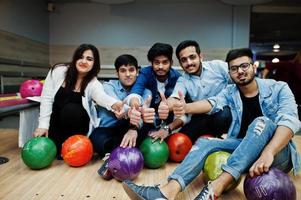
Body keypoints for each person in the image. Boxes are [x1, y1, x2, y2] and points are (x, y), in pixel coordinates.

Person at [122, 48, 301, 200]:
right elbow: (211, 103)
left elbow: (290, 121)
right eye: (234, 68)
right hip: (246, 150)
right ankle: (167, 191)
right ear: (229, 73)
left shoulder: (279, 88)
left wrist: (269, 152)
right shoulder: (231, 91)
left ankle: (215, 188)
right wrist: (184, 107)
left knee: (262, 122)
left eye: (244, 66)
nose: (240, 71)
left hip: (277, 154)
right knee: (205, 142)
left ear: (253, 67)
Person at [33, 44, 123, 157]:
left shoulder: (92, 83)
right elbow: (46, 98)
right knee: (54, 153)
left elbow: (101, 97)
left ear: (94, 63)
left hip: (77, 124)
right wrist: (43, 125)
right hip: (56, 122)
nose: (84, 61)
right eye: (80, 57)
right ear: (75, 59)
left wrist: (114, 104)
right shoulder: (58, 71)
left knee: (71, 109)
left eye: (89, 59)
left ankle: (75, 144)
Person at [152, 40, 232, 143]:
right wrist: (166, 106)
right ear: (180, 64)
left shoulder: (218, 66)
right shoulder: (183, 80)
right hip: (202, 116)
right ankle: (207, 138)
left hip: (225, 113)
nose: (189, 63)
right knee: (181, 140)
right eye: (184, 60)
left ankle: (219, 138)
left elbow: (237, 79)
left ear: (200, 56)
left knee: (223, 115)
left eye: (192, 57)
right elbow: (175, 97)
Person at [89, 54, 151, 179]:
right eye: (123, 70)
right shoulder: (108, 86)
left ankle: (112, 161)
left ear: (137, 71)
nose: (128, 74)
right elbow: (118, 108)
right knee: (96, 137)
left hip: (131, 129)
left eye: (131, 70)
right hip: (108, 131)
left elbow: (144, 117)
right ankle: (117, 156)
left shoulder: (146, 91)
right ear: (117, 73)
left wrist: (136, 123)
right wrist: (134, 112)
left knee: (143, 127)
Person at [127, 42, 182, 136]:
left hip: (168, 118)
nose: (160, 67)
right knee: (147, 92)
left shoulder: (177, 77)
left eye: (165, 62)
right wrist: (135, 105)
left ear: (171, 63)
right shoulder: (145, 73)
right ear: (151, 63)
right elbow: (135, 92)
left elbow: (182, 104)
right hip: (147, 116)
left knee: (172, 92)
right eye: (157, 62)